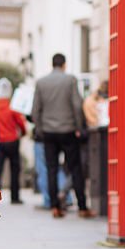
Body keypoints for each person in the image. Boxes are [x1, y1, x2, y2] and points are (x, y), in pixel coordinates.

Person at [31, 53, 93, 218]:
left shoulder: (41, 82)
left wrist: (40, 128)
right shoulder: (70, 80)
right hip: (68, 131)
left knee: (51, 169)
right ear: (64, 65)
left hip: (49, 132)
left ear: (52, 65)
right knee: (75, 169)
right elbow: (77, 105)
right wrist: (79, 127)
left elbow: (35, 109)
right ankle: (82, 207)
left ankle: (55, 207)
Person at [0, 77, 26, 204]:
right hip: (12, 140)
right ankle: (15, 197)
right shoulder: (13, 105)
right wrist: (23, 133)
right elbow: (21, 123)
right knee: (15, 169)